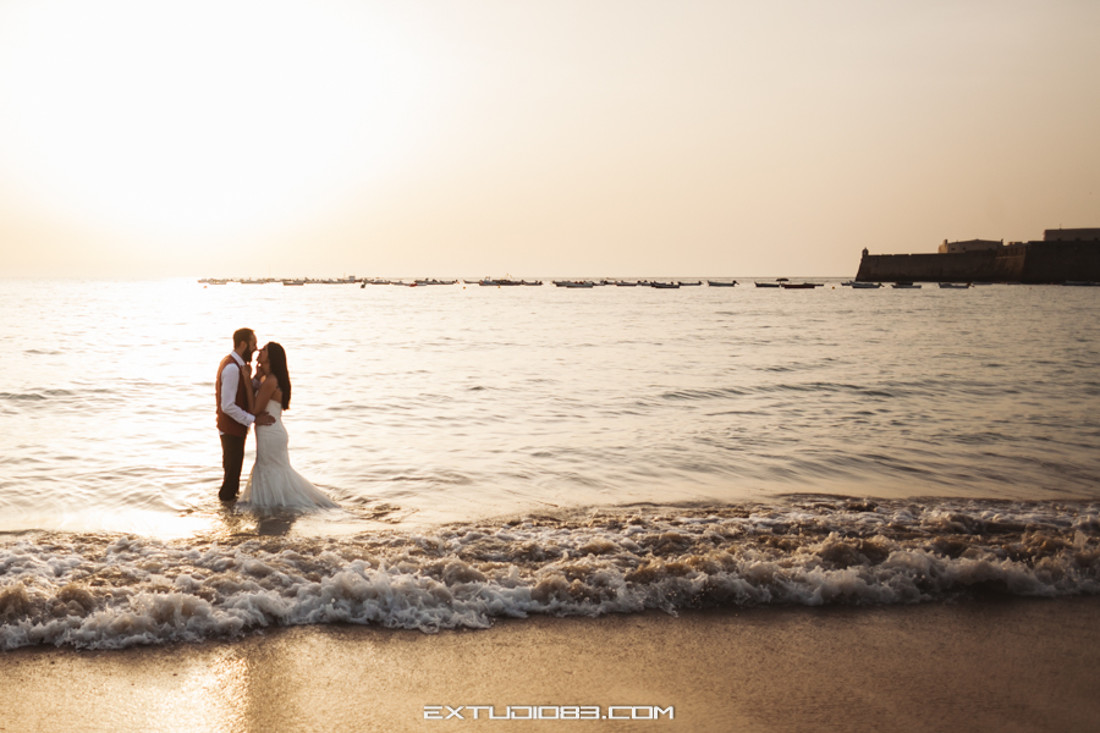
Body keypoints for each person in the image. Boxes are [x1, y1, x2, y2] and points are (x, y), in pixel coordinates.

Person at [238, 342, 337, 511]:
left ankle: (281, 507)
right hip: (269, 432)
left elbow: (255, 409)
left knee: (275, 472)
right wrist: (255, 376)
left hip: (270, 433)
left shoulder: (271, 381)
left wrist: (247, 381)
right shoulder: (266, 378)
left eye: (264, 350)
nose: (259, 351)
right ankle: (275, 509)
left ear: (271, 358)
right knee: (271, 471)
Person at [216, 328, 274, 502]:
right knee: (231, 480)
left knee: (233, 477)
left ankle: (229, 517)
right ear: (243, 344)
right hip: (230, 430)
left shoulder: (238, 365)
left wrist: (255, 379)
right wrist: (253, 419)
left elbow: (243, 391)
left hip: (234, 429)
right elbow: (228, 406)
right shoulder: (232, 368)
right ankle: (228, 520)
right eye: (253, 344)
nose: (256, 349)